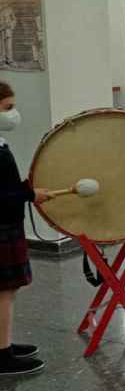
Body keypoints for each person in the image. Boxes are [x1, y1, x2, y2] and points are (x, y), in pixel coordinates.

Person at [0, 81, 51, 375]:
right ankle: (2, 355)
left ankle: (3, 344)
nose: (13, 114)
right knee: (4, 291)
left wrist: (25, 190)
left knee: (7, 291)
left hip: (7, 222)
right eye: (8, 108)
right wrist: (29, 194)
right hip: (1, 225)